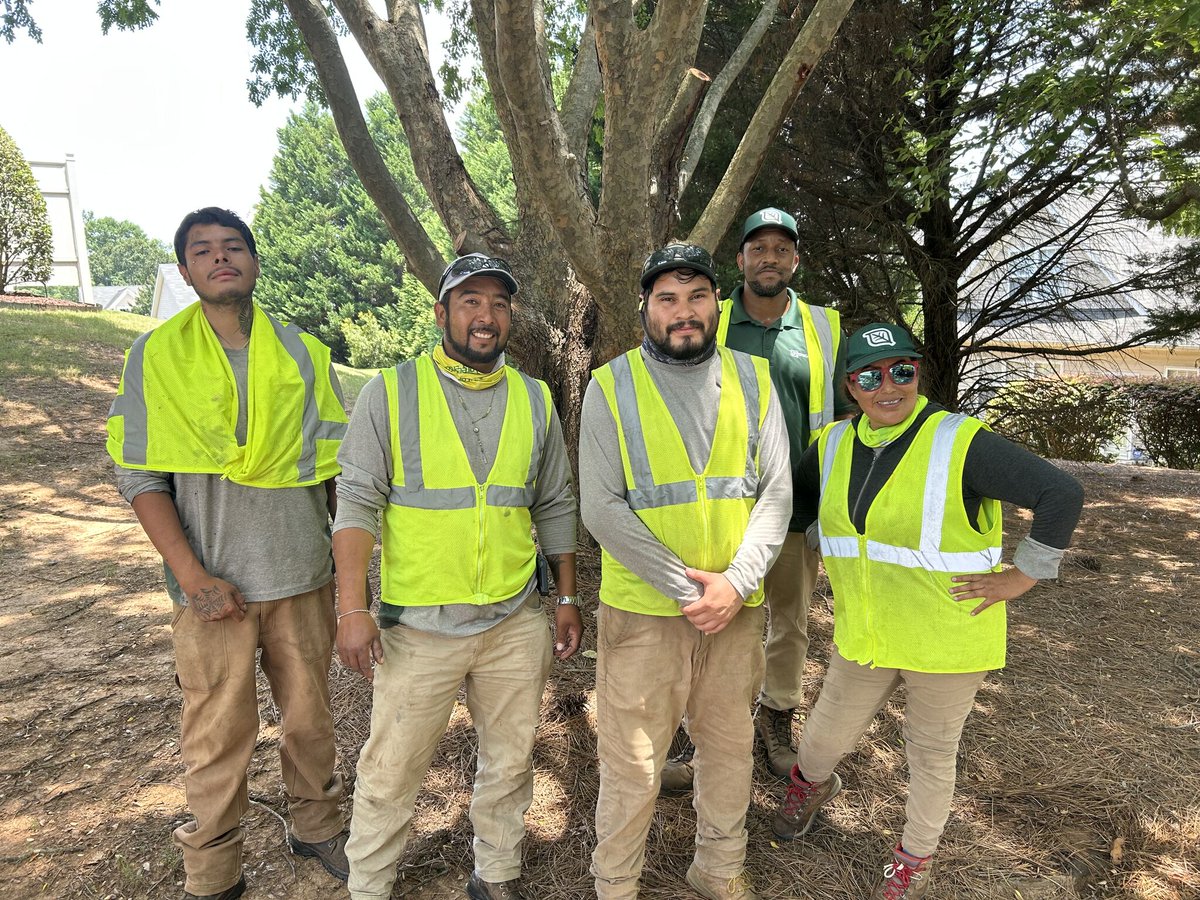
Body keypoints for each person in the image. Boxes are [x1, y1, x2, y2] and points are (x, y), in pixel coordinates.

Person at [770, 322, 1084, 899]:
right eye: (870, 375)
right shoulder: (834, 444)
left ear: (918, 373)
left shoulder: (960, 441)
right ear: (850, 387)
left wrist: (1024, 575)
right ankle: (810, 787)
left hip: (945, 637)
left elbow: (1061, 493)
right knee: (821, 739)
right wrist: (820, 533)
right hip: (866, 633)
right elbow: (804, 499)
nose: (887, 386)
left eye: (902, 371)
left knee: (931, 755)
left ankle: (914, 858)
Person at [107, 207, 351, 900]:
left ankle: (317, 826)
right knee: (216, 733)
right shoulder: (156, 357)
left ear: (254, 261)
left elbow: (335, 468)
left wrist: (349, 571)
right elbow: (140, 473)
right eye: (203, 251)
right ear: (185, 271)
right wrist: (192, 577)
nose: (221, 259)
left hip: (301, 575)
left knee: (310, 720)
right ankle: (213, 869)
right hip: (212, 589)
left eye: (233, 247)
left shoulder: (302, 351)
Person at [333, 253, 581, 900]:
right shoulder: (389, 392)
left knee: (509, 762)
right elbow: (355, 504)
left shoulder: (534, 398)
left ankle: (494, 873)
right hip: (417, 629)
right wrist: (352, 610)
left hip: (512, 623)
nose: (486, 315)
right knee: (390, 770)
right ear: (441, 313)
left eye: (498, 303)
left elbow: (553, 500)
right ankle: (369, 886)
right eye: (470, 301)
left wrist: (566, 595)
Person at [581, 243, 791, 900]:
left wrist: (736, 585)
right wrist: (688, 589)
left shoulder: (754, 379)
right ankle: (615, 885)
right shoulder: (609, 387)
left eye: (697, 296)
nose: (683, 312)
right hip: (644, 615)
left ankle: (719, 868)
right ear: (646, 308)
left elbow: (776, 494)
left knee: (728, 750)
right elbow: (601, 506)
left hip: (735, 611)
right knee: (634, 764)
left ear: (716, 305)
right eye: (667, 299)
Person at [661, 207, 853, 792]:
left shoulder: (824, 326)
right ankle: (695, 732)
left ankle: (776, 719)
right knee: (712, 618)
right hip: (725, 506)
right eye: (757, 248)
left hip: (797, 504)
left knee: (790, 622)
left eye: (781, 249)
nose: (769, 258)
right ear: (739, 259)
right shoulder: (711, 321)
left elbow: (845, 414)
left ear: (795, 259)